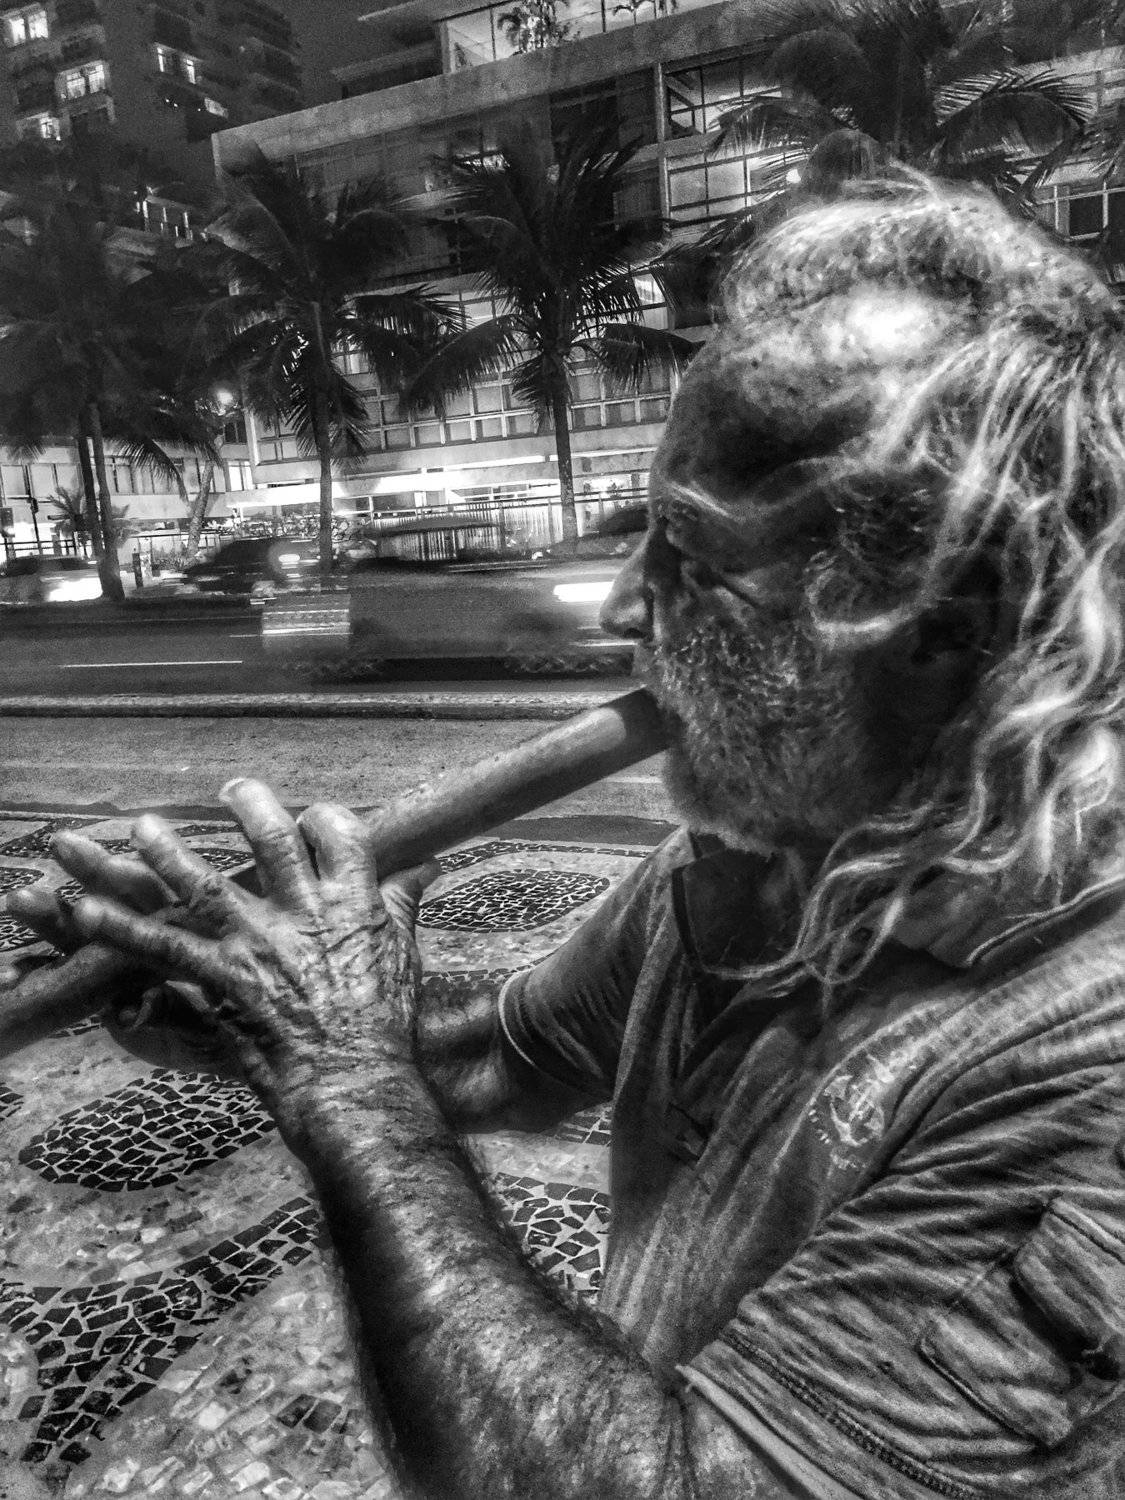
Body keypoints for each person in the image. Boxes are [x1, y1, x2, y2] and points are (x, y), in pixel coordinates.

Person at [11, 175, 1125, 1498]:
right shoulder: (766, 853)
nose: (618, 607)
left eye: (688, 555)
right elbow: (508, 1060)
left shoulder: (1088, 1058)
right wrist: (266, 1020)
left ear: (943, 618)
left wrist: (350, 1082)